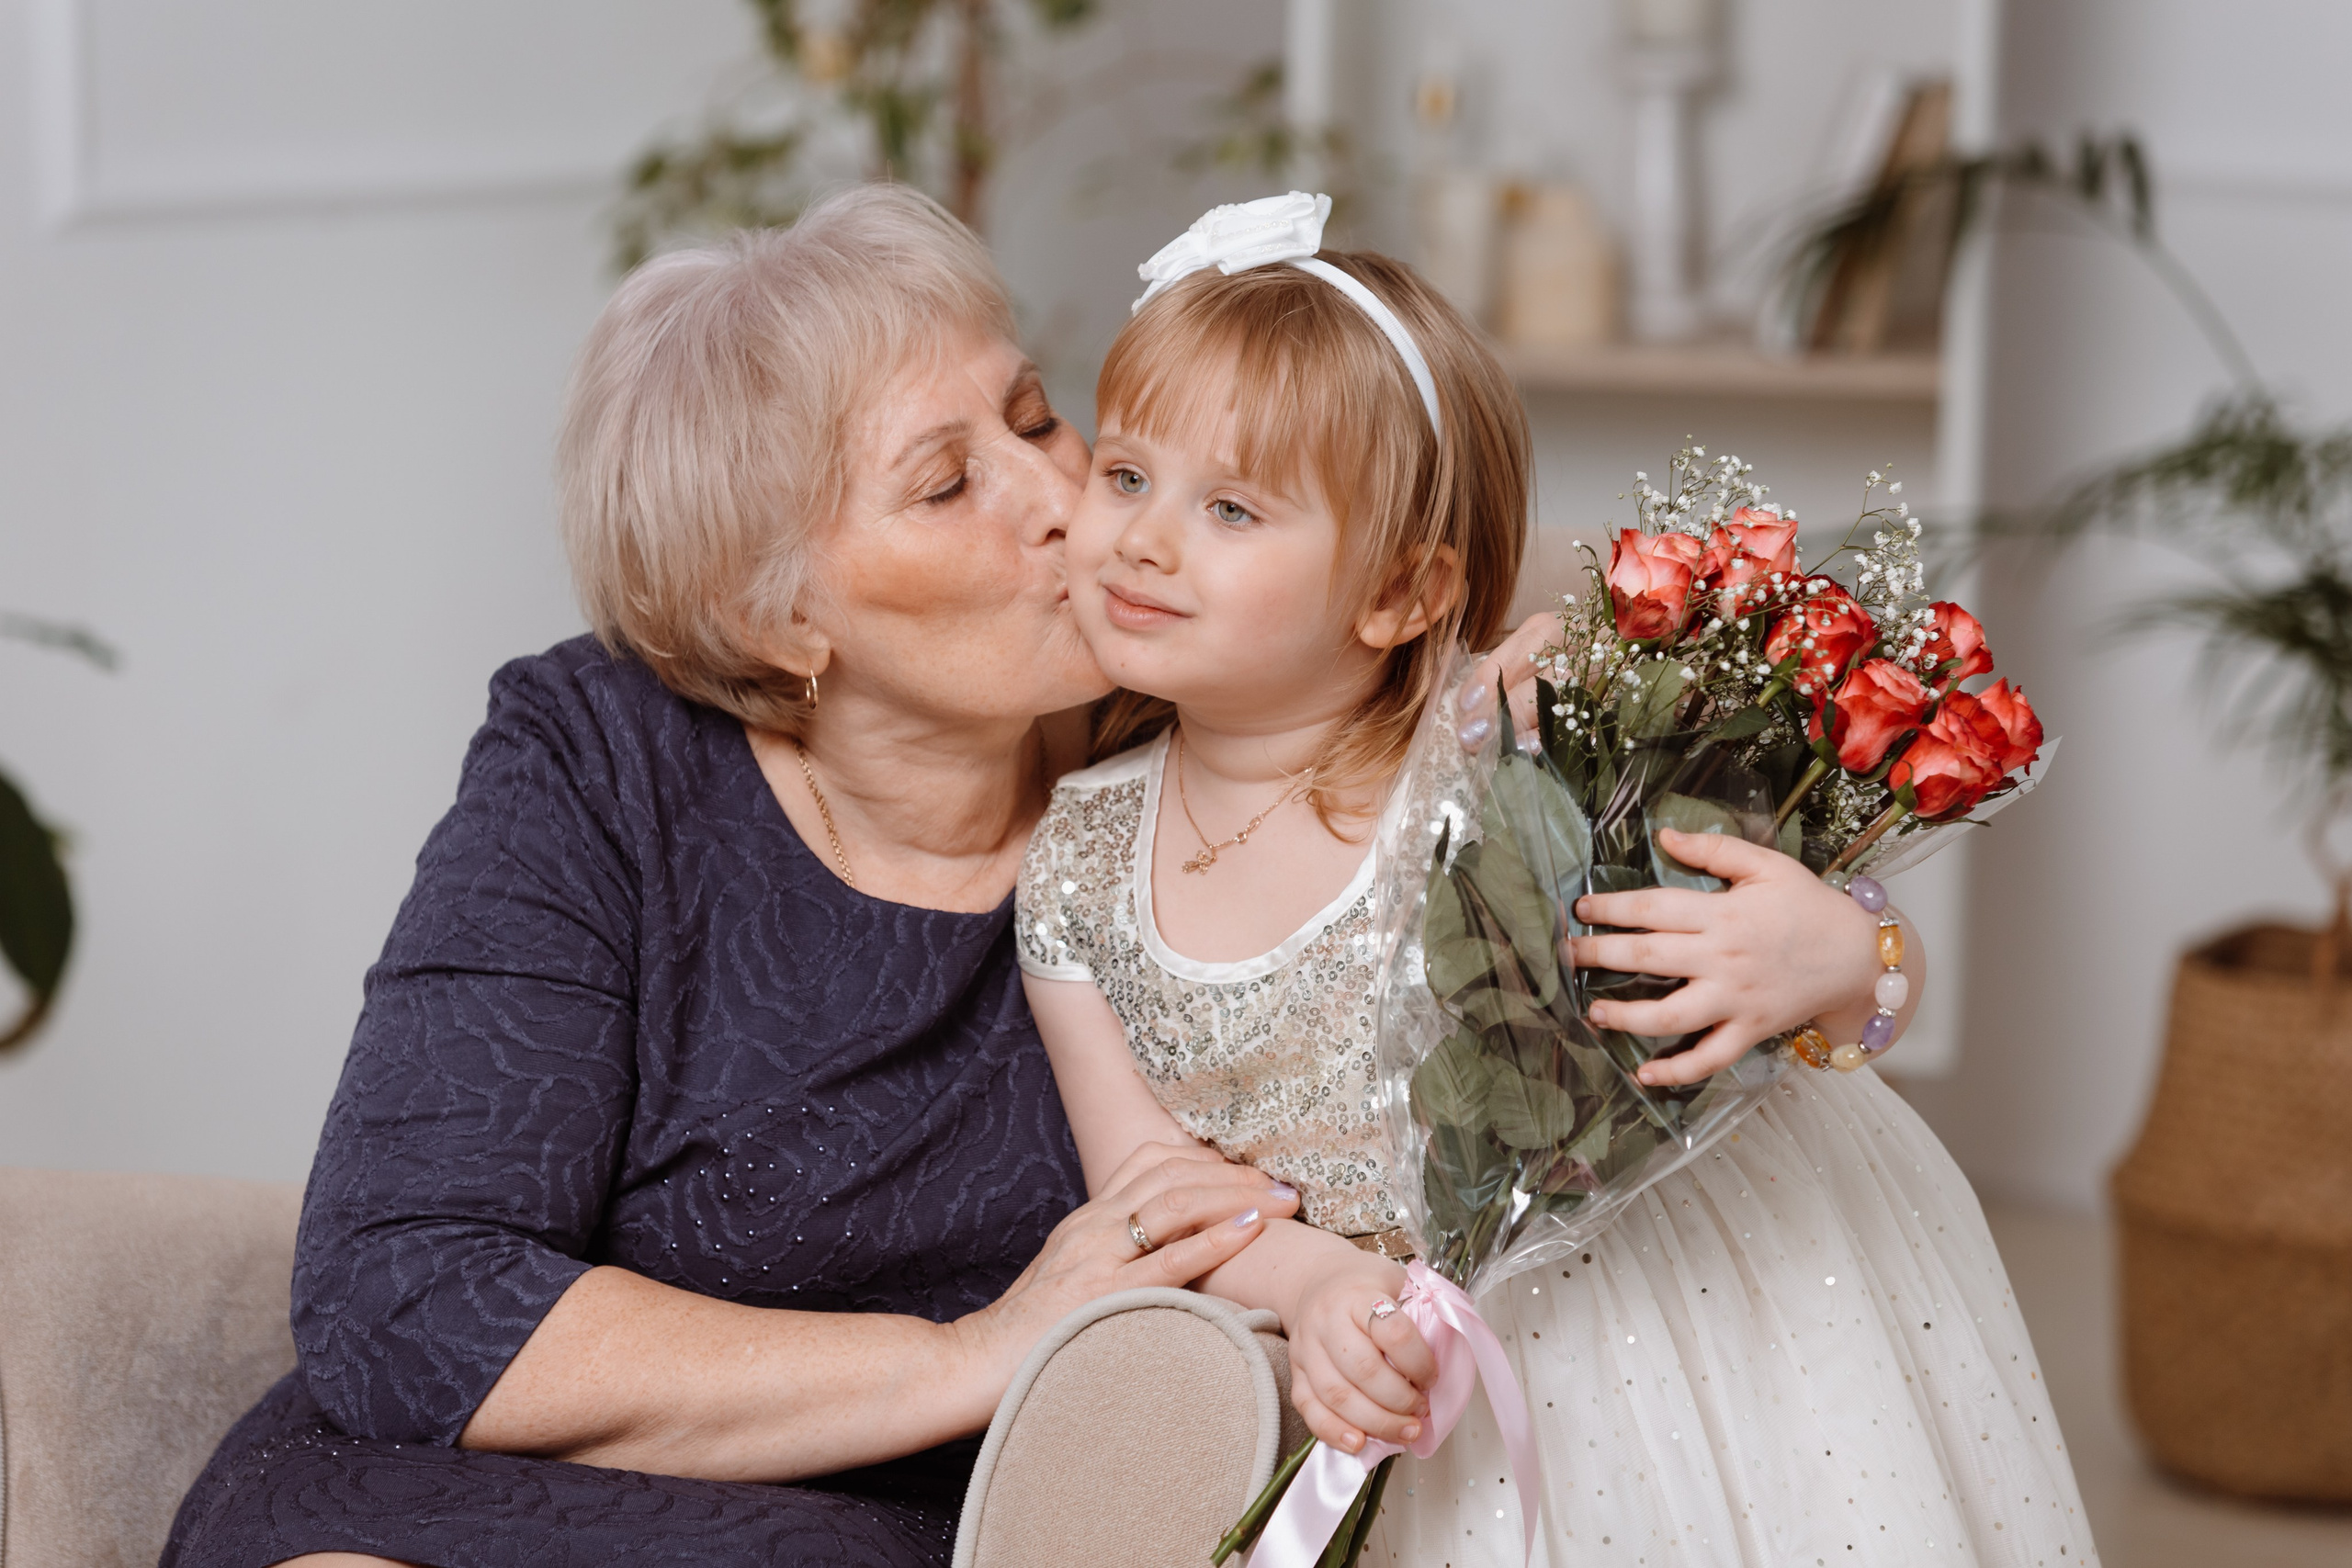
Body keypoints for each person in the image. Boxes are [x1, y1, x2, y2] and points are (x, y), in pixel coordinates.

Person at [161, 185, 1509, 1568]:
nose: (1067, 501)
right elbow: (406, 1295)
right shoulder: (600, 761)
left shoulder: (1225, 710)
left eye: (1038, 416)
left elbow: (1509, 702)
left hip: (916, 1531)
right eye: (947, 482)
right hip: (451, 1487)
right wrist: (973, 1353)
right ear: (777, 614)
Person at [1014, 195, 2100, 1565]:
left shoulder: (1509, 749)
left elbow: (1873, 997)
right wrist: (1314, 1284)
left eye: (1230, 508)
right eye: (1125, 477)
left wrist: (1836, 958)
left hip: (1667, 1326)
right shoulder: (1078, 860)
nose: (1145, 538)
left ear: (1404, 594)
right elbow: (1149, 1184)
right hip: (1385, 1366)